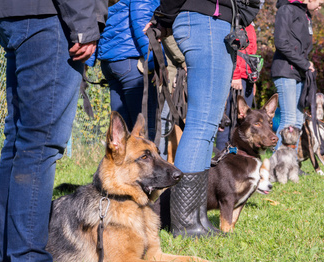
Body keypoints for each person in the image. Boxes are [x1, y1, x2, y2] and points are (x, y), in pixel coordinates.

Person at [0, 0, 107, 262]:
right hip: (48, 16)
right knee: (38, 145)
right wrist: (84, 23)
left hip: (19, 13)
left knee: (20, 141)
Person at [152, 0, 259, 238]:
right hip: (208, 22)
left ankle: (196, 218)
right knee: (201, 126)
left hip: (216, 22)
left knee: (207, 127)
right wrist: (164, 17)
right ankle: (186, 222)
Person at [88, 0, 160, 140]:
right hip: (131, 60)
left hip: (110, 63)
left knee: (121, 132)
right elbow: (142, 21)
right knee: (144, 132)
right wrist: (154, 61)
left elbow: (95, 18)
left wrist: (89, 60)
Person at [271, 0, 324, 151]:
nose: (320, 7)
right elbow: (281, 42)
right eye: (319, 3)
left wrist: (306, 64)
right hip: (285, 71)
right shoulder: (286, 10)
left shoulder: (305, 14)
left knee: (298, 120)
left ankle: (292, 163)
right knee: (288, 120)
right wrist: (305, 63)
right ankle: (277, 164)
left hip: (299, 72)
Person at [216, 23, 258, 150]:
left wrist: (253, 80)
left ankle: (238, 152)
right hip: (236, 77)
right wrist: (235, 75)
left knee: (243, 120)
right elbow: (234, 49)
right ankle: (222, 154)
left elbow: (250, 53)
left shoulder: (249, 24)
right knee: (229, 118)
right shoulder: (236, 21)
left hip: (247, 78)